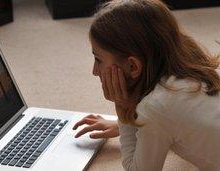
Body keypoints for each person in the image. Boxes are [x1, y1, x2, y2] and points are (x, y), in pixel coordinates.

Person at [72, 0, 220, 170]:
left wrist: (124, 114)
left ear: (133, 66)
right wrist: (137, 123)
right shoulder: (195, 68)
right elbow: (184, 120)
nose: (94, 71)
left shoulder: (156, 109)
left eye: (98, 59)